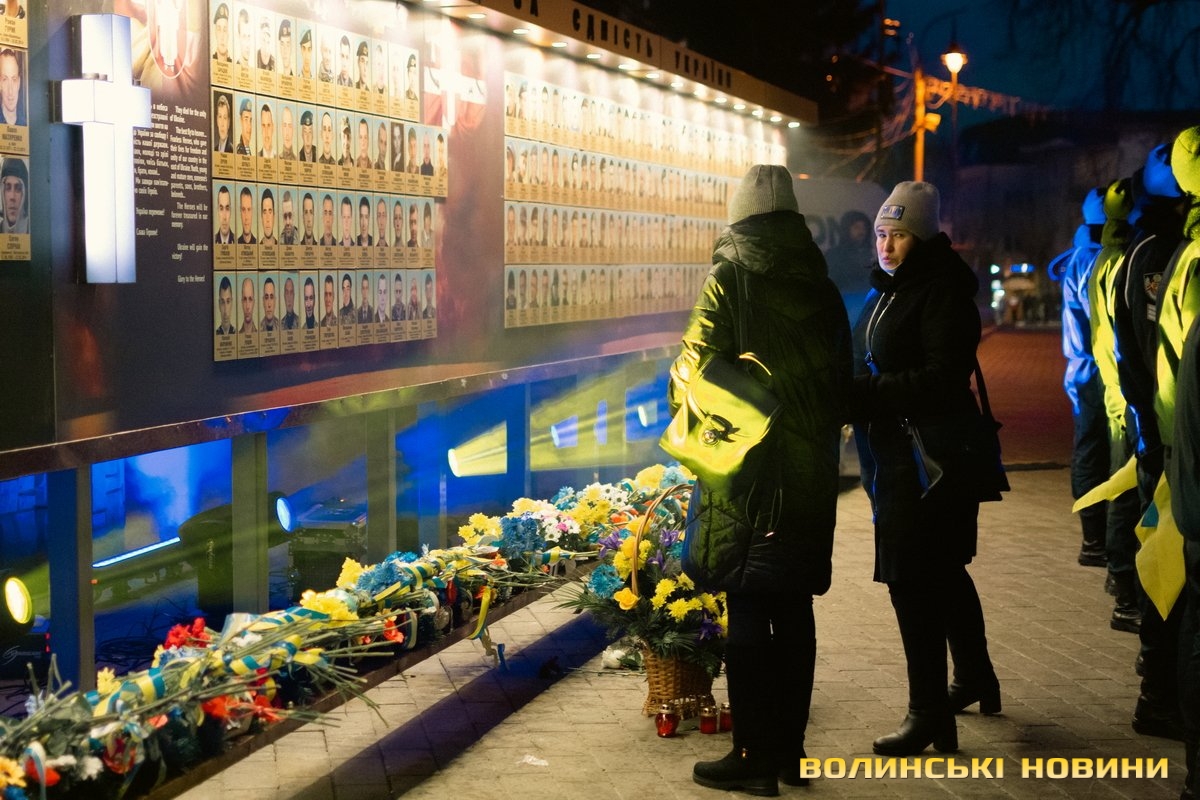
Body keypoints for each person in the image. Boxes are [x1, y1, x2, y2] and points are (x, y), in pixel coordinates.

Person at [674, 165, 851, 796]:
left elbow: (693, 371)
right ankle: (791, 754)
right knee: (795, 607)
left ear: (739, 217)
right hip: (808, 473)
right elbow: (842, 385)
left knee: (747, 602)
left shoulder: (729, 279)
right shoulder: (824, 288)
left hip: (746, 471)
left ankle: (750, 755)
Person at [849, 181, 999, 757]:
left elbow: (942, 377)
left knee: (912, 582)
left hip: (927, 461)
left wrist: (864, 394)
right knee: (942, 572)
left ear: (926, 236)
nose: (886, 245)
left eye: (899, 235)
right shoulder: (886, 290)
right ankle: (975, 677)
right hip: (896, 455)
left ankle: (927, 712)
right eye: (881, 234)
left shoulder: (941, 291)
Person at [1088, 177, 1143, 633]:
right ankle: (1126, 592)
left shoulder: (1108, 257)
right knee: (1127, 494)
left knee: (1122, 487)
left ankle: (1120, 578)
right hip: (1130, 399)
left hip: (1117, 392)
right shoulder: (1128, 260)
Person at [1056, 188, 1108, 567]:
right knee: (1095, 451)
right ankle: (1096, 541)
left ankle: (1093, 539)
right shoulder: (1095, 260)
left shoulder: (1079, 256)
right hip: (1097, 372)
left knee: (1089, 449)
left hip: (1083, 370)